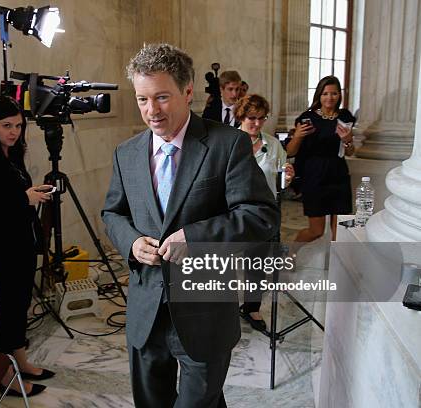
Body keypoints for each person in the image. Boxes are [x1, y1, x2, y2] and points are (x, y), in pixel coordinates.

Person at [102, 43, 278, 408]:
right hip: (146, 313)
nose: (151, 111)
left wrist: (195, 237)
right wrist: (132, 243)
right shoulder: (126, 153)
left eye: (162, 97)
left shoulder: (227, 144)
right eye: (142, 99)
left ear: (187, 91)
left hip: (205, 311)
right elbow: (113, 214)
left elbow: (260, 214)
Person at [0, 96, 55, 398]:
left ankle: (20, 361)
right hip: (1, 248)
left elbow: (15, 196)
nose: (14, 131)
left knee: (19, 307)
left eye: (18, 125)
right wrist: (23, 199)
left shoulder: (12, 156)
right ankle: (5, 376)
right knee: (9, 310)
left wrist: (32, 195)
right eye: (6, 126)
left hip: (22, 243)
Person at [234, 94, 294, 331]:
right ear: (241, 116)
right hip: (233, 211)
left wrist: (287, 178)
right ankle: (220, 309)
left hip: (263, 213)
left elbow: (281, 181)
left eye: (262, 118)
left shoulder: (274, 144)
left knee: (256, 264)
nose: (257, 123)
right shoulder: (228, 141)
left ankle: (251, 308)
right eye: (252, 118)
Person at [286, 76, 355, 242]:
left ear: (340, 95)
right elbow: (290, 152)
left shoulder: (345, 117)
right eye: (325, 93)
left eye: (334, 93)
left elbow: (350, 151)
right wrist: (298, 136)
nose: (329, 98)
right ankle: (291, 256)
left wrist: (347, 141)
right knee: (316, 231)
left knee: (341, 231)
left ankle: (337, 267)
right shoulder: (307, 117)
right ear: (319, 95)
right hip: (314, 177)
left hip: (339, 176)